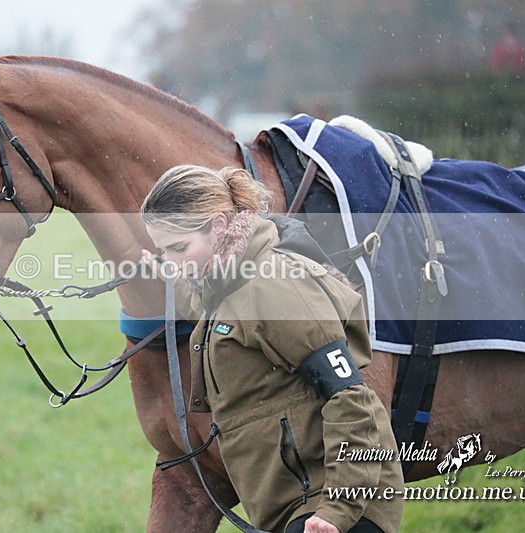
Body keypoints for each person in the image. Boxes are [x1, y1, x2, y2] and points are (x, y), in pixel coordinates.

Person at [140, 165, 404, 533]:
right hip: (295, 507)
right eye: (163, 251)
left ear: (218, 225)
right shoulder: (227, 283)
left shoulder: (276, 287)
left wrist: (337, 511)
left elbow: (352, 400)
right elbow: (224, 313)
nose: (172, 261)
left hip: (333, 510)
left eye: (179, 248)